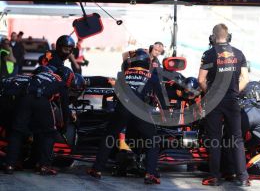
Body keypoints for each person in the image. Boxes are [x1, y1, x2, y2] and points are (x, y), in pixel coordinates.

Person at [88, 49, 161, 184]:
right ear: (147, 62)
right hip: (140, 109)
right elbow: (160, 95)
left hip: (123, 108)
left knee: (109, 136)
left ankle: (96, 169)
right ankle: (150, 174)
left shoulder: (122, 74)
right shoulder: (152, 76)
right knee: (153, 140)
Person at [198, 23, 250, 186]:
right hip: (232, 101)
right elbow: (245, 79)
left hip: (214, 101)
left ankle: (214, 176)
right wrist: (235, 91)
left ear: (213, 37)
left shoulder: (208, 54)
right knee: (237, 139)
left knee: (214, 139)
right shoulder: (239, 53)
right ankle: (243, 177)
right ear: (227, 36)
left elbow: (200, 80)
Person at [4, 66, 75, 175]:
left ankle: (10, 164)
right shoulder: (60, 81)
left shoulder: (33, 77)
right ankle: (44, 166)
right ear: (69, 78)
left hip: (23, 99)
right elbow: (64, 108)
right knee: (49, 133)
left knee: (17, 132)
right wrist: (64, 127)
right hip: (40, 99)